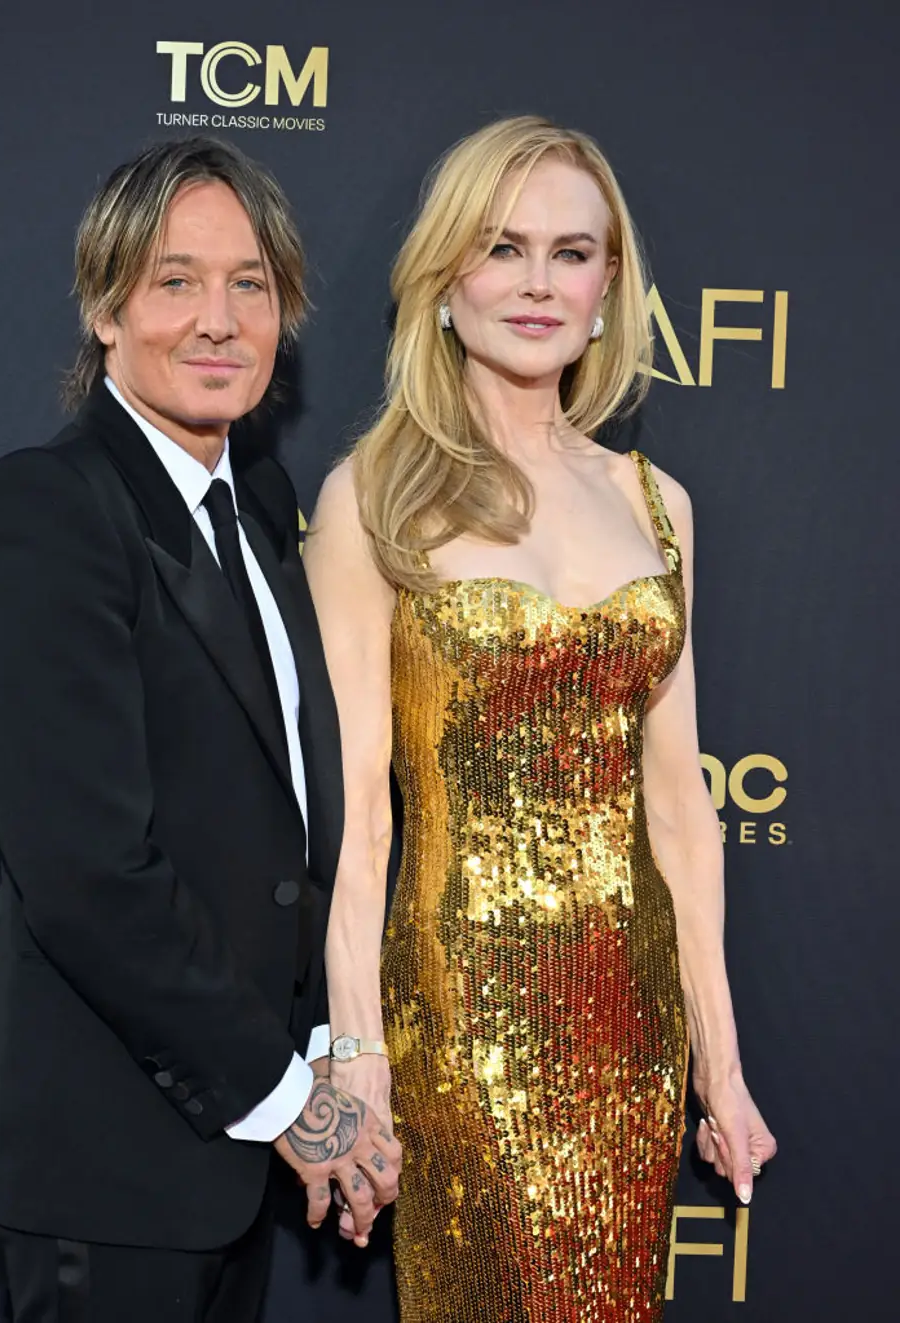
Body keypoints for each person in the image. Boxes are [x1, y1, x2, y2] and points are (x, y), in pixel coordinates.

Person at [303, 116, 776, 1321]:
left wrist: (718, 1068)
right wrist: (355, 1054)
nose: (537, 283)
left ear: (608, 287)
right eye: (502, 248)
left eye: (571, 253)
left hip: (629, 1018)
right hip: (461, 1013)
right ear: (444, 277)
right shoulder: (374, 497)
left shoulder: (656, 504)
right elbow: (355, 816)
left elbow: (679, 809)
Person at [0, 136, 400, 1323]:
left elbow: (280, 826)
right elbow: (87, 874)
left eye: (249, 284)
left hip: (228, 1169)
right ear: (105, 311)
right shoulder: (48, 507)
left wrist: (324, 1060)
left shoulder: (261, 504)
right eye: (175, 281)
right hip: (108, 1169)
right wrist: (291, 1104)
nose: (217, 320)